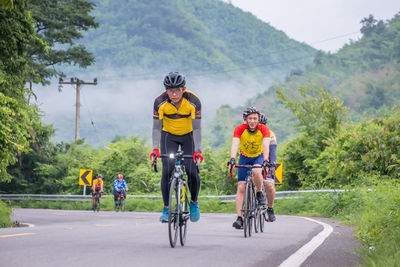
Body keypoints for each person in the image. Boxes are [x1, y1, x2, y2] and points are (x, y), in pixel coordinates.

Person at [150, 71, 203, 223]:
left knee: (192, 171)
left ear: (184, 89)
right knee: (167, 170)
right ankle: (167, 208)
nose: (174, 94)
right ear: (165, 90)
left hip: (189, 136)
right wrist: (155, 149)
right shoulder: (159, 102)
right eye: (170, 90)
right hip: (168, 136)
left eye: (177, 90)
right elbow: (156, 128)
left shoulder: (194, 101)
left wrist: (198, 151)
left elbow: (197, 128)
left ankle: (194, 202)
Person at [227, 107, 270, 229]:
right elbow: (235, 143)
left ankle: (259, 192)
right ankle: (239, 218)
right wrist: (232, 159)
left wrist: (266, 160)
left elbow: (266, 144)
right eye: (250, 118)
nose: (252, 121)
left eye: (255, 118)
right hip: (244, 157)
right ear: (245, 119)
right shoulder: (239, 129)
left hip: (258, 156)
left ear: (258, 119)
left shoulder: (264, 129)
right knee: (241, 186)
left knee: (257, 171)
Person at [259, 113, 276, 222]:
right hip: (255, 160)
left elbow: (273, 151)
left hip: (267, 162)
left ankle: (270, 209)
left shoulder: (270, 134)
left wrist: (272, 163)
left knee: (269, 185)